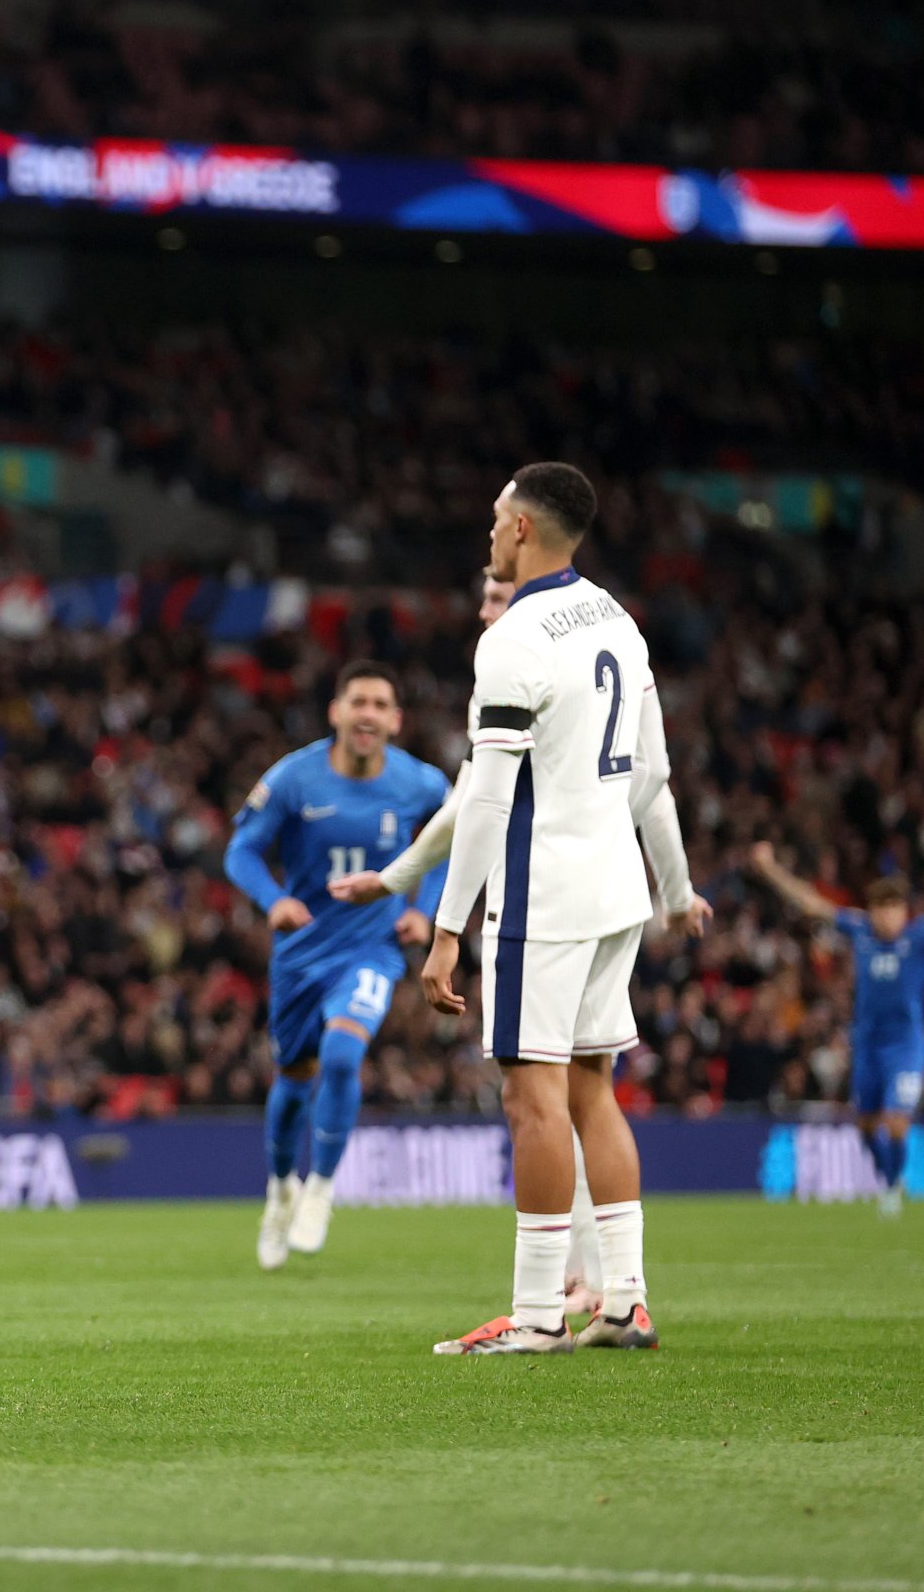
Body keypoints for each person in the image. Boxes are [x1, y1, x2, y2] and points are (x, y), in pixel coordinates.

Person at [415, 463, 707, 1355]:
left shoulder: (514, 638)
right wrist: (672, 886)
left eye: (496, 517)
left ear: (522, 529)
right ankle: (625, 1300)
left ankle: (539, 1313)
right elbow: (652, 774)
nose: (489, 531)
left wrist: (447, 930)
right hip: (616, 887)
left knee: (530, 1096)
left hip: (543, 897)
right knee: (590, 1088)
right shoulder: (615, 616)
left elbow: (487, 798)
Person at [224, 660, 449, 1269]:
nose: (367, 714)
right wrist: (274, 900)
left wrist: (424, 910)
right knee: (293, 1083)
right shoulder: (293, 779)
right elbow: (241, 851)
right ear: (336, 712)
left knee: (344, 1054)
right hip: (301, 955)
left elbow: (455, 841)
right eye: (358, 702)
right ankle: (281, 1190)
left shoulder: (420, 783)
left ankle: (321, 1189)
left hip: (371, 950)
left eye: (380, 704)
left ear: (395, 720)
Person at [749, 846, 924, 1214]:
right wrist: (770, 870)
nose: (888, 916)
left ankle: (893, 1190)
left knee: (895, 1121)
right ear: (873, 910)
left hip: (906, 1045)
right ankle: (888, 1179)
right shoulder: (859, 929)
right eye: (881, 908)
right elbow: (811, 903)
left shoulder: (920, 934)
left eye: (894, 908)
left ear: (904, 911)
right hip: (867, 1045)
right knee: (865, 1127)